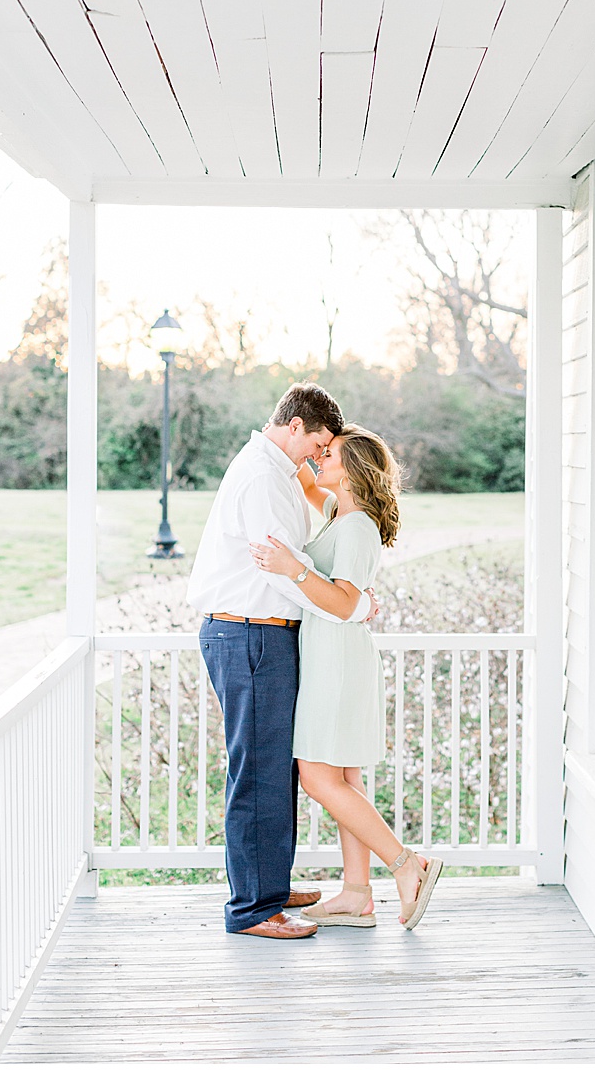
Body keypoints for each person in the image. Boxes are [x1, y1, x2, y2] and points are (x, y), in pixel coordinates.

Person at [188, 383, 373, 939]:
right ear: (295, 425)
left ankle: (267, 882)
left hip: (263, 637)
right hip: (250, 636)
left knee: (276, 768)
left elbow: (303, 553)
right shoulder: (264, 477)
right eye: (318, 443)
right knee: (258, 773)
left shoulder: (278, 474)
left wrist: (341, 599)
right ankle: (253, 907)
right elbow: (280, 568)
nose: (320, 455)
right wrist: (350, 606)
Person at [250, 424, 444, 929]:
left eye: (329, 453)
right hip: (331, 657)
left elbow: (342, 600)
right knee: (345, 780)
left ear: (353, 469)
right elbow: (304, 478)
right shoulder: (342, 514)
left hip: (335, 663)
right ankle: (356, 894)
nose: (319, 457)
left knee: (318, 778)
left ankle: (408, 865)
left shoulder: (356, 527)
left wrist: (293, 568)